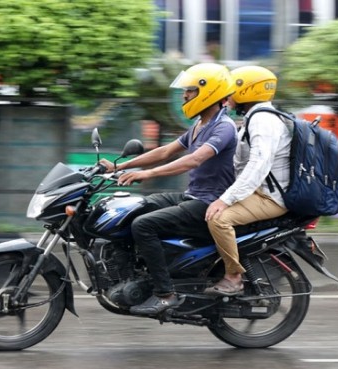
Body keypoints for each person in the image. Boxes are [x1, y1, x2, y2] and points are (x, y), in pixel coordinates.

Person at [100, 63, 237, 314]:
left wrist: (147, 174)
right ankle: (131, 275)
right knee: (134, 208)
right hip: (193, 195)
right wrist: (118, 166)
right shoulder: (199, 125)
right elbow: (164, 151)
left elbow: (193, 160)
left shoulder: (224, 127)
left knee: (144, 225)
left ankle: (165, 293)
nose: (185, 95)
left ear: (211, 92)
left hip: (209, 204)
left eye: (191, 91)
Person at [204, 66, 292, 296]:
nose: (228, 95)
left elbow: (258, 165)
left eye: (233, 89)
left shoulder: (263, 121)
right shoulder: (255, 118)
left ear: (248, 90)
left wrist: (226, 199)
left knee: (219, 219)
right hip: (260, 191)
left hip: (269, 197)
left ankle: (233, 278)